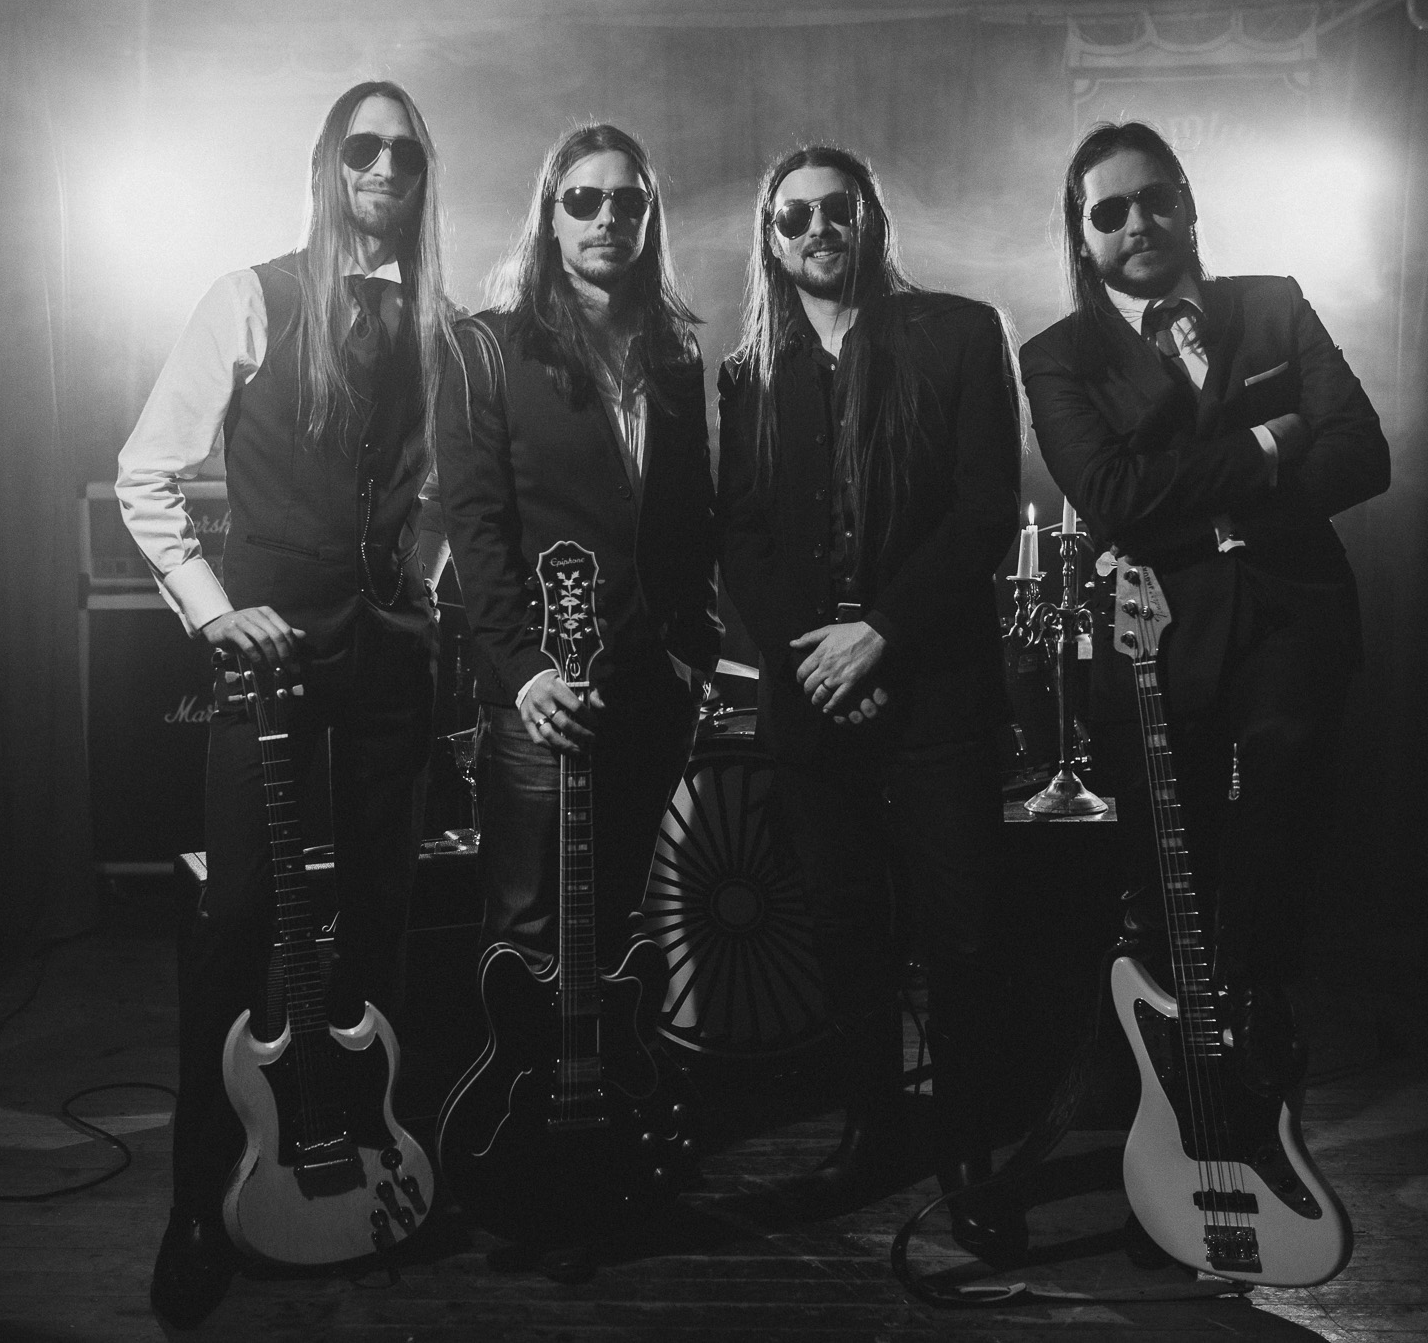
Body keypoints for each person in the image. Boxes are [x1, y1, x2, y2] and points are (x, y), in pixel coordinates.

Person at [115, 80, 454, 1328]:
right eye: (363, 148)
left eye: (405, 154)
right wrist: (213, 610)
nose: (384, 169)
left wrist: (420, 587)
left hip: (389, 666)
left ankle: (362, 1165)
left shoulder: (442, 328)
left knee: (381, 913)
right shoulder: (248, 297)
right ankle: (194, 1204)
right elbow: (145, 473)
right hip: (265, 664)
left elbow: (443, 496)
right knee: (239, 920)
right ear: (326, 166)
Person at [1020, 121, 1389, 1093]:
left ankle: (1257, 1051)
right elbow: (1112, 498)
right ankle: (1173, 1110)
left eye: (1154, 198)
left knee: (1280, 820)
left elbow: (1360, 451)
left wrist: (1195, 504)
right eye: (1108, 210)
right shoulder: (1057, 357)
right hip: (1156, 635)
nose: (1135, 222)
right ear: (1081, 233)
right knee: (1166, 876)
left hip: (1290, 613)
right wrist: (1269, 443)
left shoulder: (1273, 304)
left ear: (1186, 202)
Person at [715, 145, 1024, 1254]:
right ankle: (870, 1132)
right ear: (770, 238)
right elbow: (738, 535)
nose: (815, 229)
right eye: (792, 216)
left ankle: (969, 1150)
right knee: (846, 930)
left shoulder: (960, 332)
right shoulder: (748, 371)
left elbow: (987, 510)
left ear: (868, 216)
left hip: (935, 689)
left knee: (964, 932)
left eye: (834, 208)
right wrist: (817, 661)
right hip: (813, 697)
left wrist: (880, 636)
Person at [436, 123, 719, 981]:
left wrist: (691, 649)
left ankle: (610, 1078)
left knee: (622, 931)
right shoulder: (485, 347)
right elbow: (475, 528)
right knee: (526, 942)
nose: (606, 218)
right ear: (550, 217)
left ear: (649, 217)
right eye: (584, 199)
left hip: (652, 687)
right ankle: (530, 1083)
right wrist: (523, 672)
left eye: (627, 201)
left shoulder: (675, 353)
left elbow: (690, 517)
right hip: (539, 694)